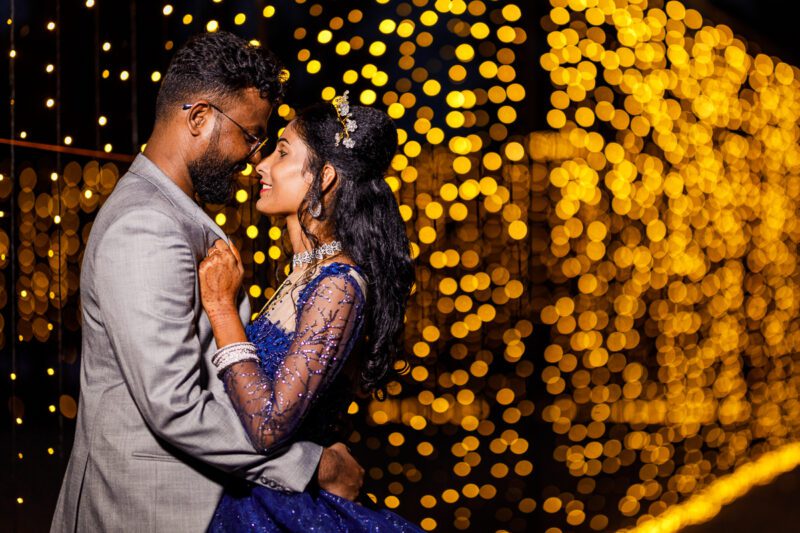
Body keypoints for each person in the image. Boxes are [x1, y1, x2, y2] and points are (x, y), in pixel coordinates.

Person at [50, 32, 363, 533]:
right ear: (198, 118)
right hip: (147, 510)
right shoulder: (146, 226)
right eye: (251, 135)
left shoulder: (170, 212)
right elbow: (174, 407)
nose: (254, 157)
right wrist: (310, 466)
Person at [197, 93, 420, 531]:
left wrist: (221, 309)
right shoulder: (304, 275)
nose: (260, 165)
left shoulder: (339, 285)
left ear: (325, 177)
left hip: (282, 512)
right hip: (252, 495)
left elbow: (268, 425)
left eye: (282, 152)